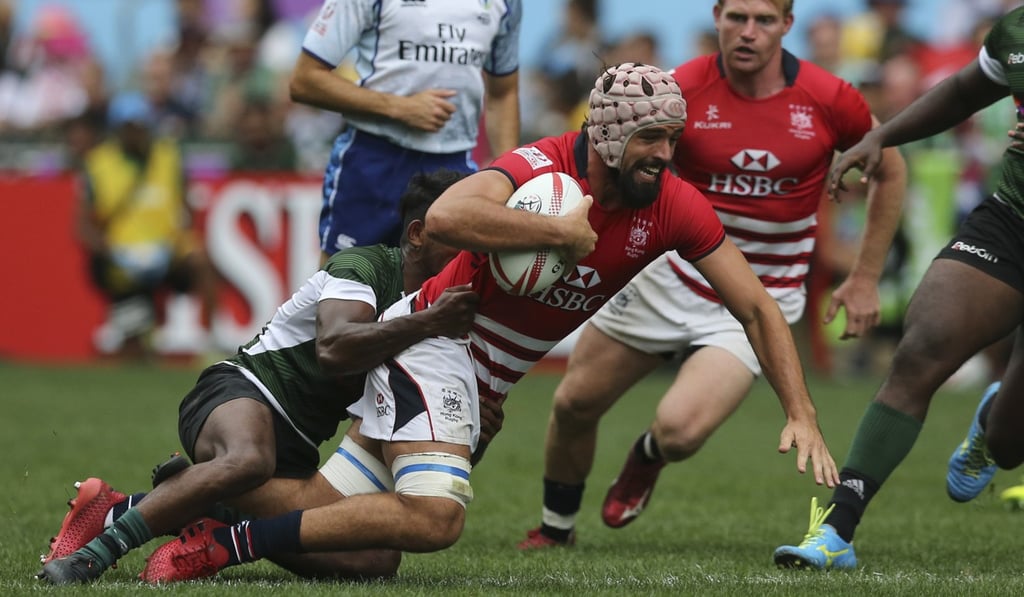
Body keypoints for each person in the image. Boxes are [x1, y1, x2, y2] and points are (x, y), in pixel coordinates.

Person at [68, 62, 841, 585]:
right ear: (606, 134)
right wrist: (556, 235)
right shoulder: (545, 168)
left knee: (356, 543)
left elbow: (756, 305)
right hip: (435, 343)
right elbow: (447, 212)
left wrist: (800, 410)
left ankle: (168, 502)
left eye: (672, 139)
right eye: (650, 138)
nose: (664, 155)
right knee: (437, 519)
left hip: (479, 377)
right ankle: (226, 544)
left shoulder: (670, 202)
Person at [518, 0, 906, 550]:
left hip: (755, 298)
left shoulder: (828, 98)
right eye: (736, 18)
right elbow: (612, 158)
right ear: (717, 16)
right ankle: (555, 531)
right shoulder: (679, 88)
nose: (748, 33)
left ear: (787, 25)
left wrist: (864, 275)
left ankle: (647, 457)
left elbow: (890, 168)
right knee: (573, 404)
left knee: (679, 432)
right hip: (666, 275)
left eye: (764, 20)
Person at [37, 169, 481, 584]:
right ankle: (95, 554)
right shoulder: (365, 266)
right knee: (248, 460)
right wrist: (428, 323)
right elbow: (334, 349)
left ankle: (184, 504)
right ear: (418, 234)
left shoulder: (437, 307)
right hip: (242, 391)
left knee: (375, 560)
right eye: (461, 233)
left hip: (298, 451)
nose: (473, 248)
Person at [772, 4, 1024, 570]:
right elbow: (964, 91)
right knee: (922, 346)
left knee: (1011, 443)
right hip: (1014, 219)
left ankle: (990, 421)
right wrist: (880, 137)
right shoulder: (1017, 28)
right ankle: (837, 531)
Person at [289, 0, 522, 261]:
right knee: (345, 290)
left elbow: (503, 92)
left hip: (453, 168)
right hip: (373, 160)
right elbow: (304, 80)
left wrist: (508, 175)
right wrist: (399, 107)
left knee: (448, 297)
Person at [77, 91, 218, 358]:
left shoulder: (168, 156)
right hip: (122, 255)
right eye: (129, 128)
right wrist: (110, 251)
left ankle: (210, 341)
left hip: (167, 247)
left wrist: (178, 236)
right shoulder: (98, 163)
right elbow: (82, 226)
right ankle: (136, 338)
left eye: (140, 127)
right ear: (117, 130)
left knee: (201, 258)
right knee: (133, 354)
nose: (135, 134)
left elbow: (186, 205)